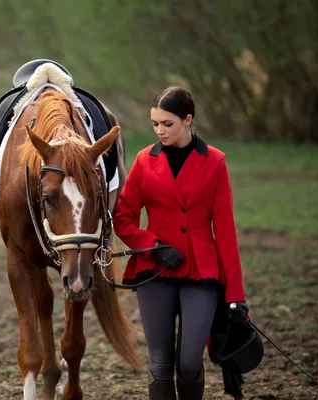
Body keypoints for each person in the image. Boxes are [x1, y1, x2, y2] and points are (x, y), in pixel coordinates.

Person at [113, 86, 248, 400]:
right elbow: (123, 217)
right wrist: (154, 245)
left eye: (167, 124)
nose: (160, 130)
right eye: (155, 124)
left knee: (188, 363)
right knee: (160, 364)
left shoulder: (215, 161)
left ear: (188, 120)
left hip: (201, 270)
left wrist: (236, 295)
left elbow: (226, 232)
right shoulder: (144, 160)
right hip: (154, 269)